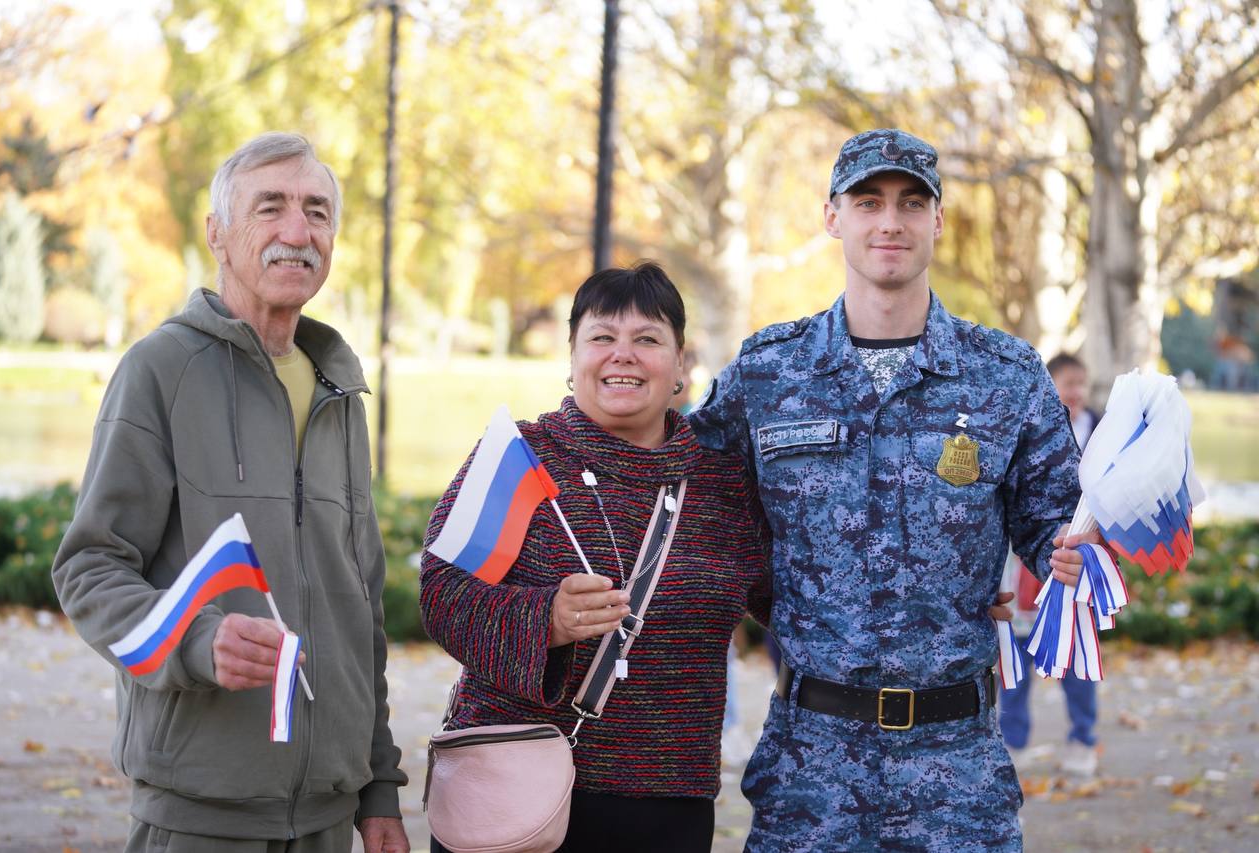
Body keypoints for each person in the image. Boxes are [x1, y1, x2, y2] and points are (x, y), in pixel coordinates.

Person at [689, 128, 1104, 850]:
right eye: (869, 201)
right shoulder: (768, 373)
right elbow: (693, 504)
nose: (891, 221)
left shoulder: (1006, 376)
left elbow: (1054, 520)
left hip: (957, 772)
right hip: (810, 771)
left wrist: (1071, 550)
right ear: (832, 217)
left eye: (912, 203)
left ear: (937, 221)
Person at [52, 133, 410, 853]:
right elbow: (89, 568)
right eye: (269, 207)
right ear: (216, 233)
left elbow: (362, 606)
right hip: (199, 813)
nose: (297, 231)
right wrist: (195, 640)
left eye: (317, 211)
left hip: (329, 818)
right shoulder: (159, 369)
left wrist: (377, 786)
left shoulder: (341, 390)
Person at [419, 262, 772, 853]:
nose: (622, 354)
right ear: (573, 356)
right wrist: (547, 620)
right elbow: (442, 595)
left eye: (647, 339)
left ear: (681, 364)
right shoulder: (519, 458)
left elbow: (802, 602)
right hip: (512, 791)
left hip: (668, 806)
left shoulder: (725, 486)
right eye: (602, 336)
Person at [998, 353, 1101, 777]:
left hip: (1076, 563)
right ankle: (1014, 741)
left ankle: (1083, 739)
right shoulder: (1027, 428)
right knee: (1015, 660)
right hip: (1023, 562)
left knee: (1077, 660)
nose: (1076, 392)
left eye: (1081, 383)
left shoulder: (1102, 432)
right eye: (1068, 383)